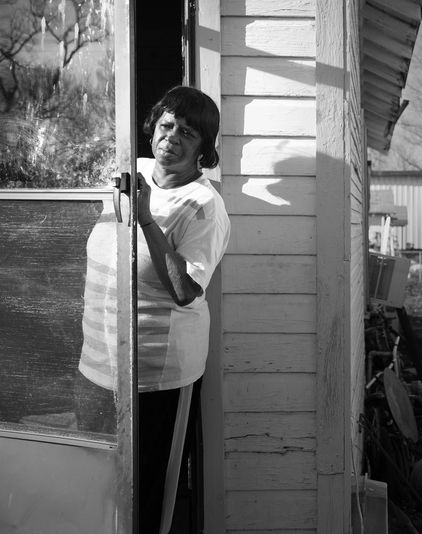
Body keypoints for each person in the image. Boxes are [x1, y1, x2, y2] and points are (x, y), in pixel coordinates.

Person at [75, 86, 230, 532]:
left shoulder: (204, 207)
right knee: (93, 482)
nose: (172, 138)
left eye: (187, 132)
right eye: (166, 126)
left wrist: (145, 216)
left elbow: (186, 289)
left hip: (156, 378)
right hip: (97, 368)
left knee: (145, 494)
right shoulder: (128, 172)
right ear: (151, 129)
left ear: (204, 148)